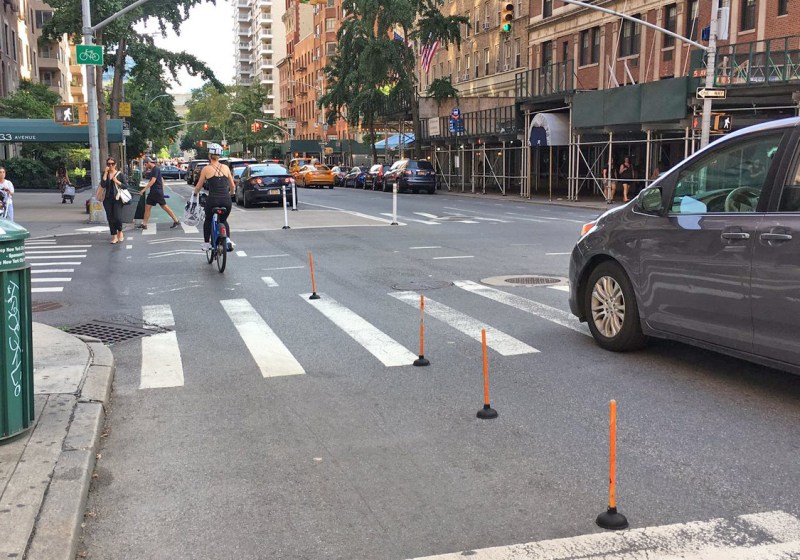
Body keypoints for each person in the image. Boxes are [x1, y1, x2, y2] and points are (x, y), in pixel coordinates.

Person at [193, 143, 235, 252]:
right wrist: (232, 193)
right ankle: (228, 240)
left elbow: (199, 185)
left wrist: (195, 194)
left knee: (208, 219)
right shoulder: (226, 167)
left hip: (213, 200)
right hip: (226, 200)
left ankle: (207, 244)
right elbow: (232, 185)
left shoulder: (206, 169)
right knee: (224, 220)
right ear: (219, 156)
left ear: (209, 155)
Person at [138, 156, 180, 230]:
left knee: (164, 206)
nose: (145, 166)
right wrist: (162, 191)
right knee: (148, 207)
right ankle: (144, 224)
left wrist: (143, 190)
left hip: (156, 191)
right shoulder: (155, 169)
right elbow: (161, 179)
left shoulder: (155, 169)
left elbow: (153, 181)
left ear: (148, 163)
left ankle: (176, 220)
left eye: (145, 164)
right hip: (155, 191)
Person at [99, 158, 126, 244]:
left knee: (117, 217)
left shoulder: (120, 175)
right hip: (107, 199)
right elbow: (103, 185)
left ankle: (120, 231)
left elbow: (125, 186)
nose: (110, 166)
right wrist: (106, 173)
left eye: (112, 164)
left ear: (115, 164)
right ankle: (114, 236)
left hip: (117, 199)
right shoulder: (105, 174)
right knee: (110, 218)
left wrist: (116, 181)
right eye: (108, 164)